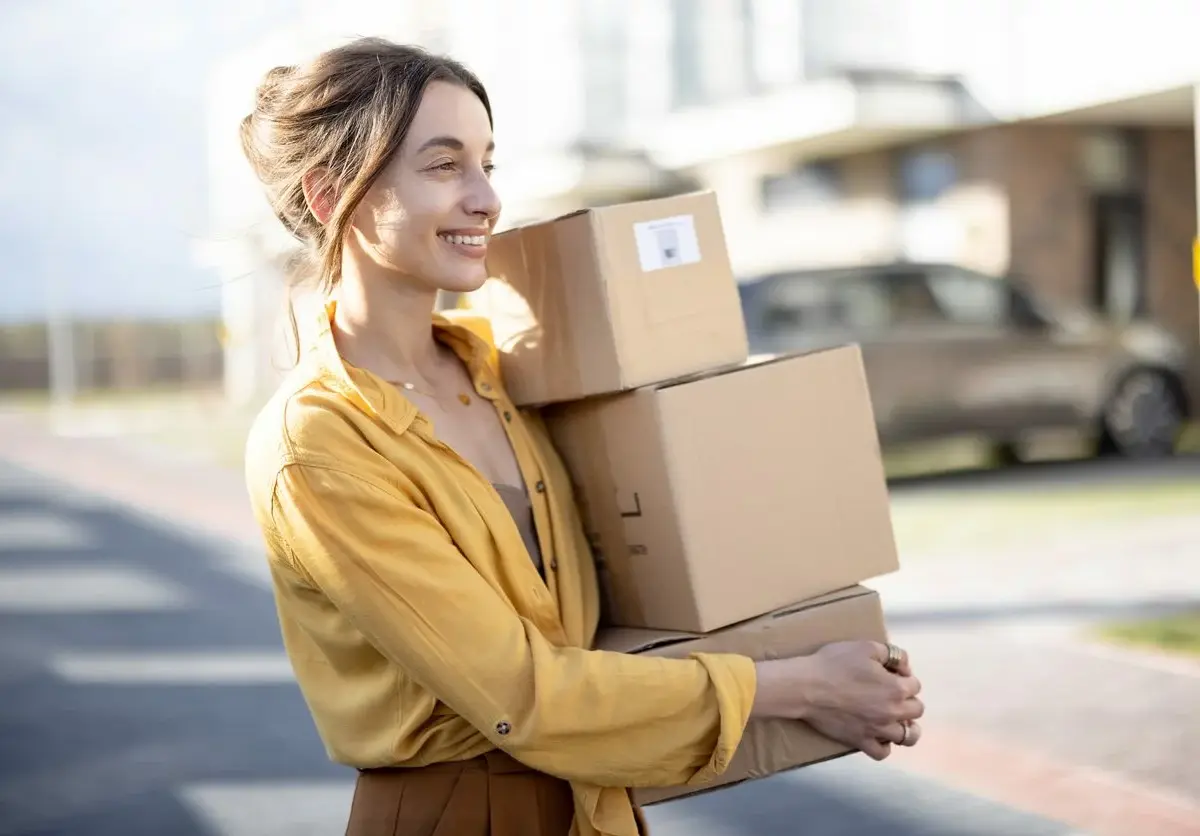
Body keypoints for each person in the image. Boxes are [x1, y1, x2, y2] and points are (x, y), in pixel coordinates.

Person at [240, 37, 924, 836]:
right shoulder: (319, 443)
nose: (486, 198)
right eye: (443, 165)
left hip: (597, 805)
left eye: (488, 163)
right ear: (331, 199)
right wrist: (801, 685)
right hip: (463, 814)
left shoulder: (502, 373)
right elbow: (524, 696)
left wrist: (832, 653)